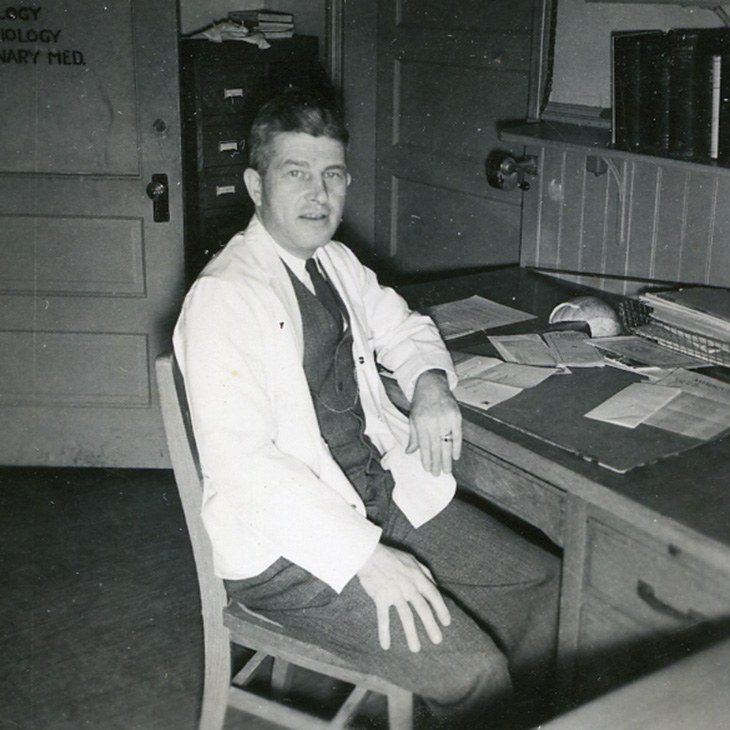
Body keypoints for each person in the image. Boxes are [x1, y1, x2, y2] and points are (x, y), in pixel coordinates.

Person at [173, 90, 560, 728]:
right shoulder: (224, 298)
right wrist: (368, 560)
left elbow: (405, 329)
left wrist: (431, 383)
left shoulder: (332, 260)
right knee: (476, 674)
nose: (317, 194)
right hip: (289, 552)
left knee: (542, 587)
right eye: (295, 173)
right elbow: (245, 471)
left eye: (332, 175)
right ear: (254, 184)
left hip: (382, 500)